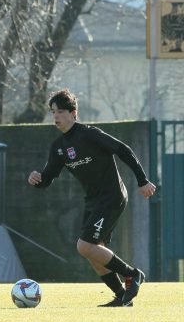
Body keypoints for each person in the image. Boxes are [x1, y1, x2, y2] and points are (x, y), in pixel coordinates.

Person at [27, 88, 156, 307]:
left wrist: (142, 180)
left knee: (84, 246)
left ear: (73, 113)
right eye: (53, 112)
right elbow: (48, 179)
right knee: (94, 253)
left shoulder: (89, 134)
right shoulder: (58, 148)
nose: (55, 116)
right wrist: (36, 179)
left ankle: (132, 275)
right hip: (93, 201)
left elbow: (123, 149)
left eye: (60, 111)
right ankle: (122, 297)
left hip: (112, 196)